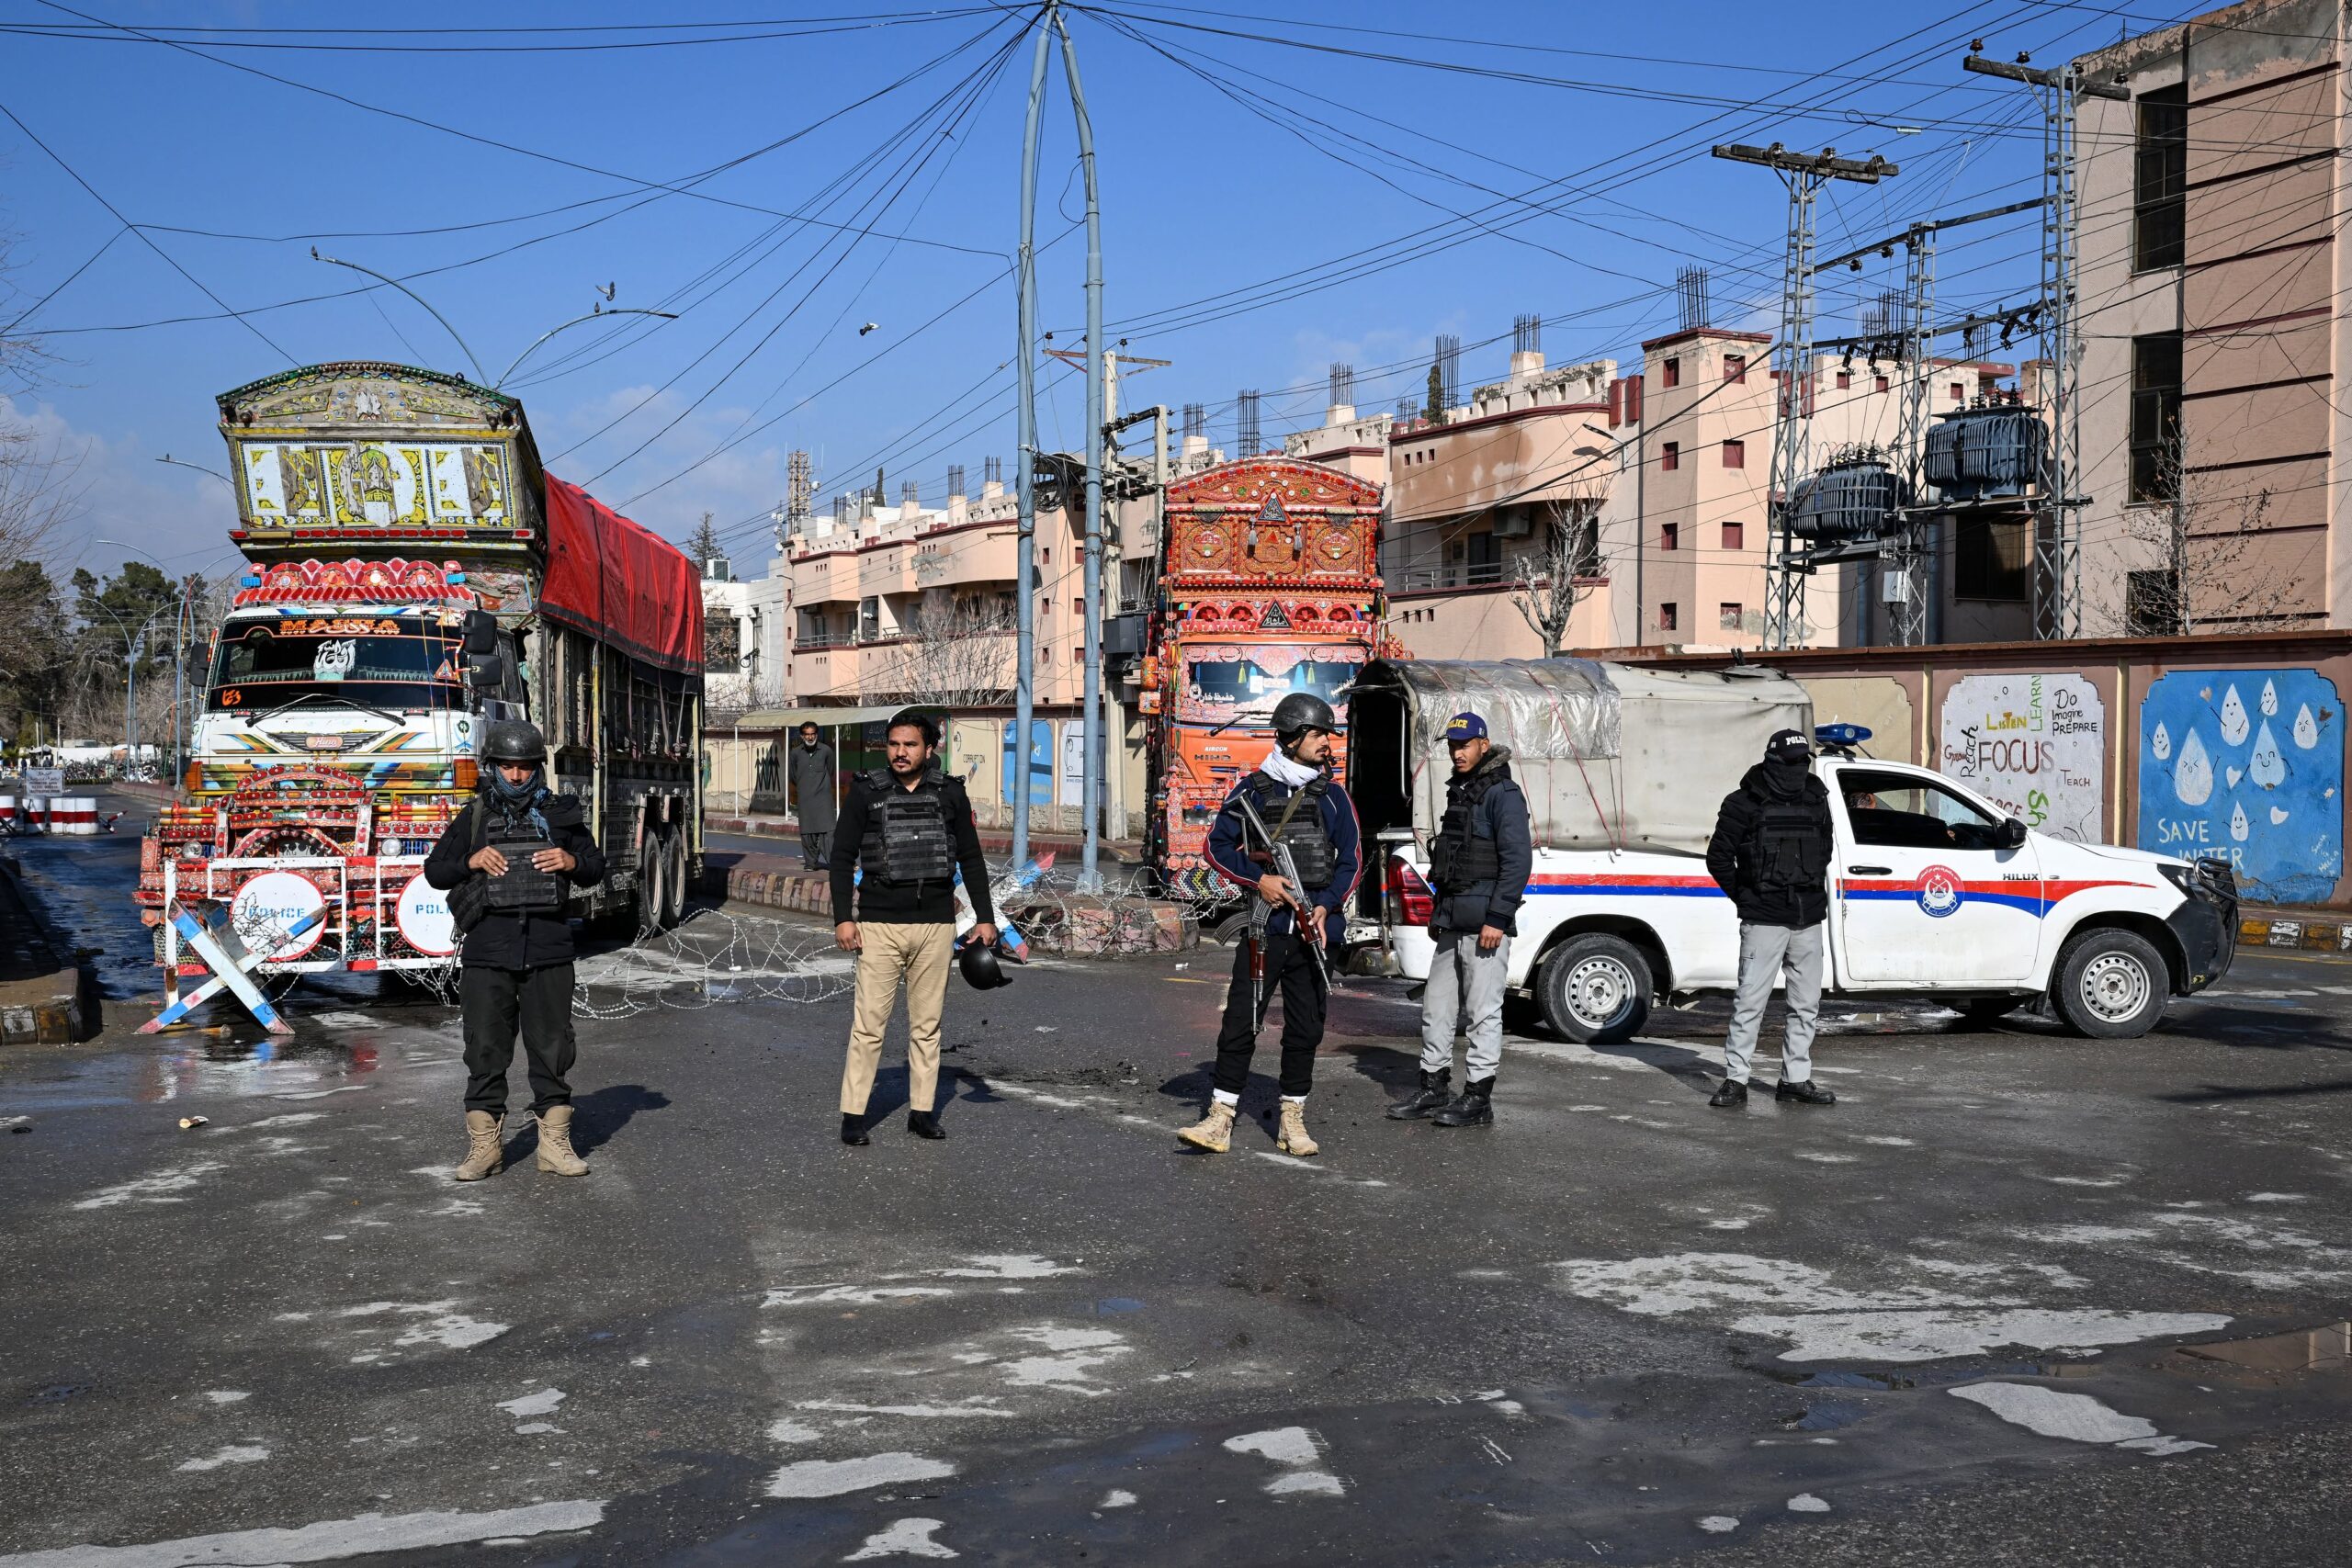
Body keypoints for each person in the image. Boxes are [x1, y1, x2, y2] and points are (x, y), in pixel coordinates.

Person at [1178, 692, 1363, 1158]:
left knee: (1306, 1026)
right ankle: (1220, 1117)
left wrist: (1326, 906)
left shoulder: (1335, 797)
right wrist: (1259, 880)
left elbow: (1352, 860)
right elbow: (1216, 847)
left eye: (1328, 735)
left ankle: (1291, 1118)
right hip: (1265, 929)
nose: (1326, 743)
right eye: (1318, 734)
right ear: (1293, 736)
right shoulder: (1251, 791)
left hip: (1316, 929)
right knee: (1241, 1020)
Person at [424, 718, 608, 1180]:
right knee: (484, 1051)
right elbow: (435, 871)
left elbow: (595, 867)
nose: (516, 775)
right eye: (507, 766)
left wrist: (570, 860)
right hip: (488, 953)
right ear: (493, 767)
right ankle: (484, 1149)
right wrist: (471, 860)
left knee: (552, 1050)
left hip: (549, 951)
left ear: (537, 768)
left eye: (524, 766)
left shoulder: (561, 814)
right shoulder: (474, 816)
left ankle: (554, 1147)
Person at [831, 711, 997, 1145]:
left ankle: (921, 1113)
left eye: (909, 745)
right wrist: (843, 918)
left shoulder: (950, 793)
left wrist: (985, 917)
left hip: (935, 926)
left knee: (927, 1026)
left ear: (929, 748)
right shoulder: (865, 791)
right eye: (893, 744)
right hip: (878, 925)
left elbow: (971, 858)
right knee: (869, 1027)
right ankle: (854, 1115)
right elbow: (842, 856)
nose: (900, 752)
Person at [1390, 712, 1532, 1129]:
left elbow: (1517, 862)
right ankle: (1434, 1088)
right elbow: (1452, 862)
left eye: (1465, 744)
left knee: (1483, 1013)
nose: (1457, 752)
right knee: (1436, 1009)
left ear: (1483, 745)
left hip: (1485, 924)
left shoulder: (1504, 794)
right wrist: (1440, 913)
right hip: (1453, 919)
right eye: (1453, 746)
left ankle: (1478, 1098)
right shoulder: (1462, 791)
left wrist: (1498, 918)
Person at [1703, 728, 1838, 1111]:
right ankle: (1736, 1079)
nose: (1799, 768)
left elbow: (1824, 850)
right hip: (1763, 919)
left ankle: (1795, 1080)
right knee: (1750, 1004)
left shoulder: (1816, 797)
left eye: (1803, 761)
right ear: (1774, 759)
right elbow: (1718, 858)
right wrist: (1747, 897)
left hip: (1808, 918)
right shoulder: (1743, 801)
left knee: (1806, 1005)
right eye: (1792, 761)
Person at [792, 721, 837, 870]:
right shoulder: (795, 753)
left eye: (813, 734)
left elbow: (830, 770)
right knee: (807, 832)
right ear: (802, 736)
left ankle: (834, 863)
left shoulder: (826, 751)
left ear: (816, 735)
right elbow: (793, 775)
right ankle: (811, 863)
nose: (810, 737)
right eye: (807, 734)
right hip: (805, 799)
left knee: (828, 831)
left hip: (823, 799)